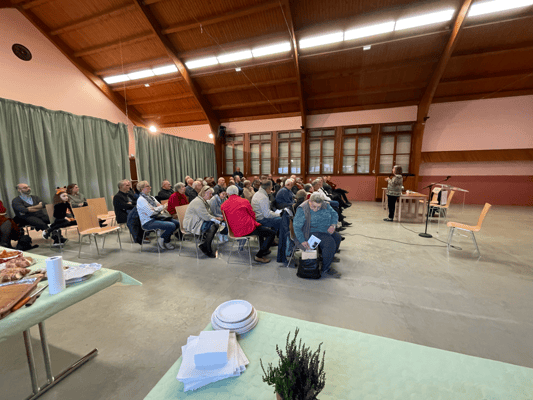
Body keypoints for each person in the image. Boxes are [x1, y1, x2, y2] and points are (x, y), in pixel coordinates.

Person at [221, 185, 275, 263]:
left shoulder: (223, 205)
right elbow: (252, 214)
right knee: (271, 233)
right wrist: (254, 222)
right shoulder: (244, 201)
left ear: (227, 193)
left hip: (234, 231)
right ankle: (259, 255)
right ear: (237, 192)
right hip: (247, 229)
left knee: (261, 230)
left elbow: (225, 219)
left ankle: (264, 249)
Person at [293, 193, 342, 278]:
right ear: (310, 201)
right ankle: (326, 268)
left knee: (337, 237)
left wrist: (333, 225)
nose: (316, 209)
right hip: (310, 231)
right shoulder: (303, 208)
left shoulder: (325, 204)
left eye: (319, 207)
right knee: (329, 243)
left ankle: (327, 257)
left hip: (325, 230)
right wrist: (302, 240)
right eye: (314, 206)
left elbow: (334, 214)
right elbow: (296, 226)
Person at [136, 181, 179, 250]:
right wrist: (160, 208)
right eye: (148, 186)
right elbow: (151, 213)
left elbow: (159, 206)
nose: (150, 187)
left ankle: (163, 238)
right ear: (142, 188)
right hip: (148, 222)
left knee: (177, 223)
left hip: (157, 218)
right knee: (171, 225)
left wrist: (157, 208)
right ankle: (164, 240)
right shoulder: (141, 200)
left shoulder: (151, 197)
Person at [183, 186, 222, 258]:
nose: (211, 195)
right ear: (204, 193)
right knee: (214, 226)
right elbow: (206, 216)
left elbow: (207, 214)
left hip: (198, 220)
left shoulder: (202, 200)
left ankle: (205, 244)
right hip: (192, 223)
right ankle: (206, 247)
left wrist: (215, 218)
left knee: (215, 224)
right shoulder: (198, 202)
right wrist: (215, 218)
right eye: (210, 194)